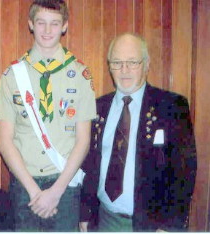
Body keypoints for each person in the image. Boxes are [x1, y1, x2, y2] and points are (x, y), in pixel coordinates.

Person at [0, 0, 96, 231]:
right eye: (41, 23)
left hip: (64, 184)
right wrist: (34, 191)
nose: (47, 31)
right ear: (30, 24)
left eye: (55, 23)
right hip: (24, 185)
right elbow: (4, 141)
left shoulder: (80, 74)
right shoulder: (13, 75)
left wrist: (56, 191)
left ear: (65, 26)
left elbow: (83, 140)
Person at [79, 32, 197, 232]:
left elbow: (185, 170)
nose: (124, 69)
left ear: (146, 64)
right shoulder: (98, 108)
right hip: (104, 221)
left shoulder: (171, 107)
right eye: (117, 62)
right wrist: (85, 214)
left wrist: (171, 227)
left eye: (132, 62)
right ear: (109, 66)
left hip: (152, 226)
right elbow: (89, 164)